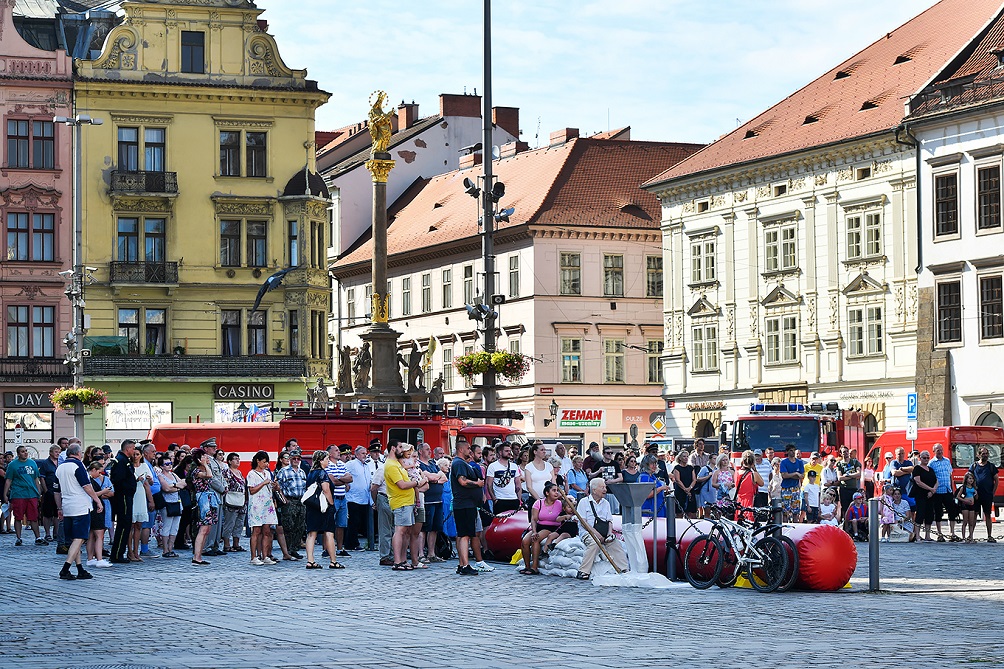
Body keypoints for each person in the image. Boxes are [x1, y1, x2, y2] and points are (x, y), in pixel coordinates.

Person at [54, 444, 103, 580]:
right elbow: (86, 486)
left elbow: (56, 491)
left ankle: (80, 569)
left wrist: (59, 508)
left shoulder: (60, 467)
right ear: (77, 453)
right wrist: (97, 500)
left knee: (74, 539)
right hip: (80, 505)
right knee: (79, 538)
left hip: (67, 505)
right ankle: (65, 568)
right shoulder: (78, 465)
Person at [574, 478, 628, 580]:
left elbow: (609, 521)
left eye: (605, 487)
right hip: (587, 532)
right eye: (602, 487)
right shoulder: (584, 502)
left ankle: (624, 569)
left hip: (603, 532)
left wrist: (609, 534)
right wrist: (596, 534)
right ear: (594, 490)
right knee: (594, 543)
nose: (605, 490)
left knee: (616, 544)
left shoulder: (606, 503)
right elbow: (583, 522)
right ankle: (583, 571)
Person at [385, 441, 425, 571]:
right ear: (393, 448)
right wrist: (416, 483)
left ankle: (403, 560)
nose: (402, 450)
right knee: (400, 531)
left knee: (406, 532)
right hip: (400, 502)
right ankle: (397, 561)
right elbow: (402, 484)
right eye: (400, 447)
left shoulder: (397, 463)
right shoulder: (391, 465)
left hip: (408, 502)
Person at [450, 437, 483, 576]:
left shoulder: (464, 463)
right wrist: (477, 484)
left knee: (464, 535)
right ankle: (465, 565)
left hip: (468, 504)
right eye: (468, 448)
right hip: (464, 504)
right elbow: (462, 481)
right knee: (465, 535)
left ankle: (462, 564)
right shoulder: (459, 464)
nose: (470, 451)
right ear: (461, 449)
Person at [519, 481, 566, 575]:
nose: (556, 493)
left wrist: (564, 496)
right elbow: (534, 519)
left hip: (553, 527)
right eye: (554, 491)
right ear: (547, 493)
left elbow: (570, 507)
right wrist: (534, 531)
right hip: (539, 526)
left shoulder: (560, 504)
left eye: (557, 491)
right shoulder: (539, 503)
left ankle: (534, 567)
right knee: (525, 541)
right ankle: (527, 566)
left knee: (536, 539)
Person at [3, 444, 45, 546]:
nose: (25, 453)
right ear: (18, 454)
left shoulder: (32, 463)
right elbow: (8, 480)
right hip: (18, 494)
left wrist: (39, 492)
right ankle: (18, 538)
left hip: (31, 494)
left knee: (33, 517)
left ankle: (38, 537)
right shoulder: (12, 465)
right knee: (18, 517)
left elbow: (36, 479)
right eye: (22, 451)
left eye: (26, 451)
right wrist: (5, 494)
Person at [304, 451, 338, 569]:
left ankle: (310, 560)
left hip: (312, 506)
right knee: (329, 533)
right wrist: (331, 504)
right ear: (320, 460)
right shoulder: (323, 473)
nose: (328, 461)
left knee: (311, 533)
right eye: (327, 459)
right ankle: (333, 561)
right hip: (324, 507)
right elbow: (326, 489)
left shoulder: (311, 473)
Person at [189, 448, 221, 566]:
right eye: (204, 457)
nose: (207, 459)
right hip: (202, 500)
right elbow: (209, 475)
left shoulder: (202, 469)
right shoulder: (197, 471)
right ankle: (196, 556)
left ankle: (199, 555)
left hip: (209, 499)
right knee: (203, 529)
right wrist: (204, 465)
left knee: (207, 529)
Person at [246, 450, 278, 566]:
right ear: (258, 461)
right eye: (264, 462)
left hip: (267, 505)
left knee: (267, 530)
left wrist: (275, 486)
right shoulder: (252, 474)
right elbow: (252, 490)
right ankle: (253, 556)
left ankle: (265, 556)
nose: (266, 464)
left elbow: (271, 488)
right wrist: (264, 483)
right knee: (256, 530)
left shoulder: (268, 473)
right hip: (256, 505)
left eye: (267, 462)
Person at [274, 450, 306, 560]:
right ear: (290, 459)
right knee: (288, 526)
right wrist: (284, 500)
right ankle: (287, 551)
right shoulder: (284, 471)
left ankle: (294, 549)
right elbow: (276, 487)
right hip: (289, 501)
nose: (296, 461)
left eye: (298, 459)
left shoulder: (302, 472)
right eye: (294, 458)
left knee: (299, 526)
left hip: (300, 501)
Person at [417, 443, 446, 562]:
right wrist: (434, 477)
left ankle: (431, 553)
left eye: (430, 449)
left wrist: (434, 479)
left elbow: (444, 477)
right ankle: (420, 554)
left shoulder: (433, 464)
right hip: (427, 501)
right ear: (420, 451)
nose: (430, 451)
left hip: (438, 500)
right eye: (427, 449)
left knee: (435, 528)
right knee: (424, 529)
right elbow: (430, 477)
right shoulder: (419, 464)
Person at [324, 444, 353, 558]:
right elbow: (332, 482)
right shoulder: (328, 465)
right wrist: (343, 481)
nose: (339, 452)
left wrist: (340, 480)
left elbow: (350, 478)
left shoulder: (341, 464)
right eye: (336, 451)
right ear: (330, 454)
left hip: (342, 497)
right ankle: (326, 549)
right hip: (333, 497)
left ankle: (340, 548)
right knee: (329, 524)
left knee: (341, 524)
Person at [200, 438, 227, 557]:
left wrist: (224, 486)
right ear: (206, 448)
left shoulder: (214, 460)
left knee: (218, 522)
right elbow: (211, 478)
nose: (215, 449)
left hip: (218, 495)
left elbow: (220, 476)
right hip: (212, 493)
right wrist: (222, 488)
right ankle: (208, 546)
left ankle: (215, 545)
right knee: (212, 521)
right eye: (212, 447)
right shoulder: (206, 460)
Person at [370, 442, 394, 566]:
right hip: (384, 497)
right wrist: (376, 502)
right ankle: (385, 556)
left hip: (394, 499)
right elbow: (374, 488)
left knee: (394, 529)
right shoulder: (383, 468)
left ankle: (393, 554)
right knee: (385, 529)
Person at [345, 446, 373, 552]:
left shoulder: (367, 466)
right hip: (353, 498)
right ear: (356, 455)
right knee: (353, 522)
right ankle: (351, 544)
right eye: (362, 453)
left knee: (360, 522)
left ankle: (354, 542)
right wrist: (346, 484)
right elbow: (344, 472)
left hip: (364, 498)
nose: (365, 455)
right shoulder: (351, 464)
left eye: (366, 453)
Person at [156, 453, 184, 559]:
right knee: (167, 527)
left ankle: (171, 548)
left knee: (175, 527)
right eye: (166, 464)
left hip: (177, 503)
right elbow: (166, 489)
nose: (169, 465)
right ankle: (165, 549)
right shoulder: (160, 476)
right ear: (161, 466)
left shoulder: (173, 475)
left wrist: (174, 486)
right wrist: (177, 486)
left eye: (170, 463)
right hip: (167, 504)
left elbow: (183, 483)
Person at [930, 443, 959, 542]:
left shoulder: (947, 461)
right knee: (938, 513)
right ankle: (939, 533)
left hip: (947, 490)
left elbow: (950, 475)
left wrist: (953, 488)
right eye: (938, 450)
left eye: (941, 450)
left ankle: (952, 532)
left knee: (952, 511)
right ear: (934, 451)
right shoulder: (931, 463)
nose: (940, 452)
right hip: (937, 492)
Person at [86, 460, 113, 567]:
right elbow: (92, 494)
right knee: (99, 535)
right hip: (96, 509)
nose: (99, 475)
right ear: (93, 470)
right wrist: (104, 491)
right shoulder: (90, 480)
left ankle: (90, 558)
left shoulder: (89, 479)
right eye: (98, 472)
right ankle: (99, 559)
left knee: (92, 535)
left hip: (92, 508)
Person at [969, 446, 999, 542]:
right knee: (974, 515)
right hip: (976, 495)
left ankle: (989, 536)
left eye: (986, 454)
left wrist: (993, 492)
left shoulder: (991, 466)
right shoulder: (974, 466)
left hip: (987, 495)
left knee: (988, 515)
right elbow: (969, 478)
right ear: (978, 455)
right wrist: (972, 491)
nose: (985, 455)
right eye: (983, 454)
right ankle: (971, 536)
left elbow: (996, 480)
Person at [486, 442, 523, 515]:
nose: (509, 453)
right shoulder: (493, 466)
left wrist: (519, 499)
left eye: (510, 451)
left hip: (513, 499)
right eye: (506, 451)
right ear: (500, 452)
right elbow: (489, 485)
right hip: (500, 500)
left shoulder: (514, 466)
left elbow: (518, 483)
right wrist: (495, 499)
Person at [221, 453, 247, 554]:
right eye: (235, 459)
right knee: (229, 522)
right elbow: (225, 484)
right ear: (230, 461)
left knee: (239, 523)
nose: (237, 461)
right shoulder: (227, 472)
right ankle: (227, 544)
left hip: (242, 500)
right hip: (231, 500)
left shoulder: (240, 472)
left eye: (238, 459)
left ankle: (236, 543)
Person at [37, 445, 61, 548]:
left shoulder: (61, 462)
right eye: (56, 452)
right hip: (49, 491)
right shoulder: (45, 464)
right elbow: (41, 478)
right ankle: (47, 533)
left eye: (59, 452)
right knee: (47, 514)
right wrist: (45, 490)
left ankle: (56, 533)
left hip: (59, 491)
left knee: (57, 513)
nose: (58, 454)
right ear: (51, 452)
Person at [911, 450, 939, 542]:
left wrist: (933, 490)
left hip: (931, 496)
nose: (926, 459)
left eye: (927, 457)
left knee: (929, 515)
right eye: (924, 458)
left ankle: (928, 535)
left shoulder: (930, 469)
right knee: (920, 514)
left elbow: (936, 481)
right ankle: (917, 535)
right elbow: (918, 481)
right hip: (921, 495)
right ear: (920, 458)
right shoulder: (917, 468)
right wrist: (930, 489)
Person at [523, 441, 556, 508]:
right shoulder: (529, 467)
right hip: (534, 500)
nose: (544, 452)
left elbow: (554, 483)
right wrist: (539, 501)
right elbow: (529, 487)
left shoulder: (549, 465)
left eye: (545, 450)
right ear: (535, 452)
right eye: (542, 450)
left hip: (549, 499)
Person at [779, 444, 804, 522]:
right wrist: (795, 474)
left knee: (795, 511)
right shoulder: (784, 462)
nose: (792, 452)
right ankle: (785, 528)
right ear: (787, 452)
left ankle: (795, 528)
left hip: (795, 488)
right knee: (785, 511)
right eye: (790, 450)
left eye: (793, 450)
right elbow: (784, 475)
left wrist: (790, 474)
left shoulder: (799, 462)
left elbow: (802, 476)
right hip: (786, 488)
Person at [735, 451, 764, 519]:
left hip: (739, 502)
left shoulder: (737, 473)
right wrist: (755, 470)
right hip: (750, 503)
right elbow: (762, 483)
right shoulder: (753, 474)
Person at [671, 451, 697, 518]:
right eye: (684, 456)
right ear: (680, 458)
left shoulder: (690, 468)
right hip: (680, 492)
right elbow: (678, 480)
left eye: (687, 456)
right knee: (679, 513)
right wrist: (685, 489)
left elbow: (694, 479)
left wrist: (689, 488)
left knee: (691, 512)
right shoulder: (677, 468)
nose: (686, 458)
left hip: (690, 491)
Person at [956, 472, 978, 543]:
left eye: (972, 479)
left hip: (972, 505)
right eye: (970, 478)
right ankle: (963, 537)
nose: (971, 480)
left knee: (971, 522)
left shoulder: (974, 488)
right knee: (965, 521)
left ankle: (971, 537)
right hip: (965, 505)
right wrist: (965, 500)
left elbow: (976, 498)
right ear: (966, 479)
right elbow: (958, 496)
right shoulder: (963, 487)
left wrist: (976, 493)